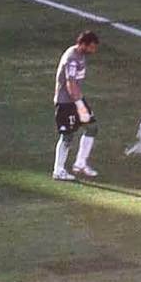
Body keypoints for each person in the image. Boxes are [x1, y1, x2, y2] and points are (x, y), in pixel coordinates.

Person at [52, 29, 100, 181]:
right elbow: (70, 84)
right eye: (92, 47)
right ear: (83, 45)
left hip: (76, 98)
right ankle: (58, 170)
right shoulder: (72, 59)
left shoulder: (80, 55)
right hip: (66, 102)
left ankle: (80, 163)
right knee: (67, 136)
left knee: (92, 127)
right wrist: (80, 105)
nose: (94, 50)